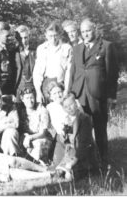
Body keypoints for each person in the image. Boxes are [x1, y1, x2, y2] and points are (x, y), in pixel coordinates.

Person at [69, 18, 119, 167]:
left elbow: (112, 73)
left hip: (98, 95)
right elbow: (73, 71)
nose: (85, 34)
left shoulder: (106, 46)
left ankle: (103, 161)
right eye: (83, 31)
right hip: (80, 94)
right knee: (81, 129)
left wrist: (111, 96)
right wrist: (71, 92)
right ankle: (85, 161)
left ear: (95, 29)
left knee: (99, 128)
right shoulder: (77, 49)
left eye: (88, 30)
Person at [54, 93, 95, 179]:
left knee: (70, 175)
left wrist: (74, 160)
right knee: (59, 173)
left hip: (83, 154)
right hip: (72, 152)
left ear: (76, 104)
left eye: (71, 104)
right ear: (63, 109)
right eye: (66, 107)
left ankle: (82, 169)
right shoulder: (67, 120)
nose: (69, 108)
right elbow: (67, 143)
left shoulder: (84, 118)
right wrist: (65, 137)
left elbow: (84, 143)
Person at [33, 22, 72, 104]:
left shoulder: (66, 48)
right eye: (50, 36)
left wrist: (66, 90)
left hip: (60, 84)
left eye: (55, 36)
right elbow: (37, 72)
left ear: (59, 35)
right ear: (46, 35)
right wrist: (38, 92)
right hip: (46, 84)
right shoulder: (41, 49)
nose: (53, 39)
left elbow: (69, 71)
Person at [18, 87, 53, 164]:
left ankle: (40, 164)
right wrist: (26, 136)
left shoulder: (42, 110)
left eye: (32, 97)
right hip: (27, 137)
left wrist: (30, 138)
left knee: (37, 144)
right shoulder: (21, 111)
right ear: (22, 99)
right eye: (27, 98)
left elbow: (43, 133)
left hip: (41, 137)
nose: (30, 101)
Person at [14, 25, 36, 102]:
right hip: (18, 90)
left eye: (25, 37)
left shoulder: (35, 52)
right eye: (21, 38)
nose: (23, 41)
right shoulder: (14, 53)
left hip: (33, 89)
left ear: (29, 37)